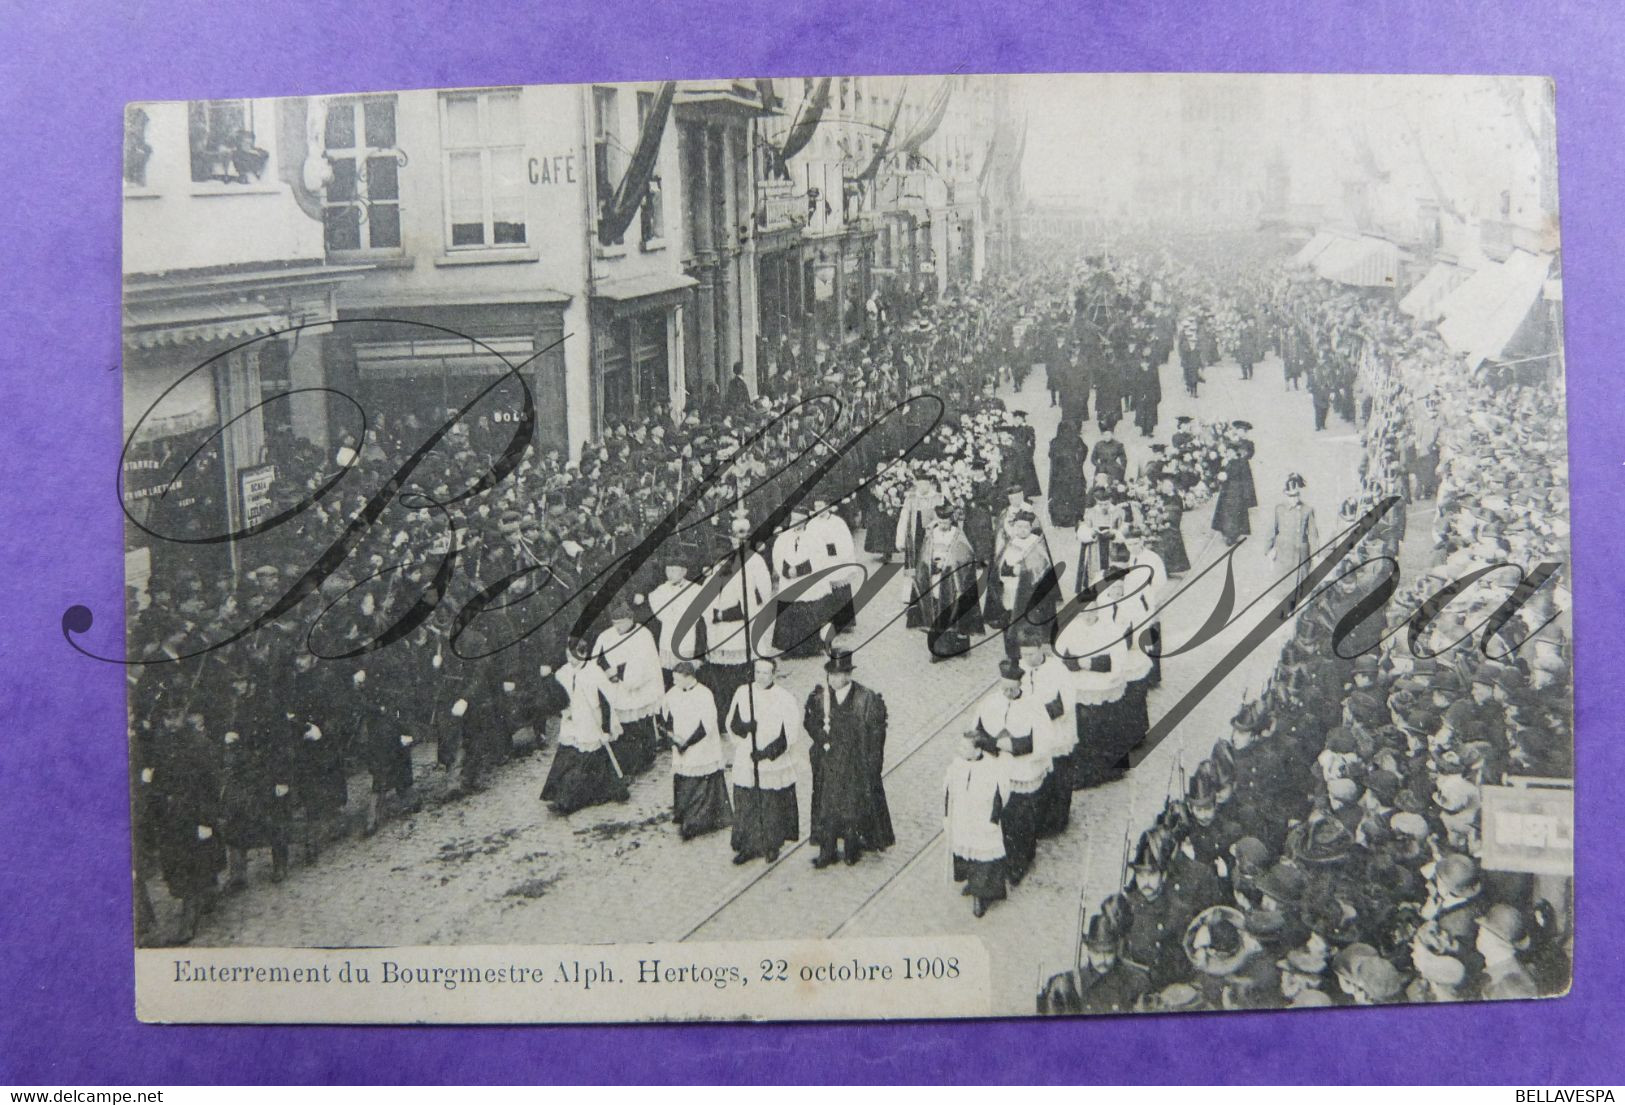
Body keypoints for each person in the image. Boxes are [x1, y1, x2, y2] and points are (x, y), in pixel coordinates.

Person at [805, 648, 893, 866]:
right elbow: (810, 723)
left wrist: (874, 764)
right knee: (826, 806)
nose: (834, 680)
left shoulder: (866, 699)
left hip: (854, 762)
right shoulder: (820, 697)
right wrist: (819, 735)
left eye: (839, 675)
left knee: (852, 806)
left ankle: (852, 849)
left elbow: (876, 733)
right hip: (828, 762)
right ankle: (827, 850)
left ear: (848, 675)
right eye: (831, 675)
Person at [539, 637, 631, 815]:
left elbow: (606, 701)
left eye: (575, 656)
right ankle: (558, 794)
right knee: (567, 754)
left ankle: (567, 800)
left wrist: (605, 729)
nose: (571, 660)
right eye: (568, 656)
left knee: (587, 760)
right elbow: (557, 696)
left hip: (591, 720)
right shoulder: (563, 672)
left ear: (584, 654)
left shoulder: (594, 672)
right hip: (571, 720)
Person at [974, 658, 1045, 886]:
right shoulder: (989, 703)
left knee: (1019, 820)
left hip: (1021, 770)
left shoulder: (1033, 705)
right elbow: (977, 733)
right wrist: (994, 745)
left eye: (1012, 690)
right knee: (998, 818)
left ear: (1019, 686)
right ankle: (997, 863)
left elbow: (1041, 739)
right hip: (995, 768)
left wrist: (1014, 746)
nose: (1007, 693)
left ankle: (1019, 862)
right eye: (1004, 689)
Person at [726, 657, 804, 864]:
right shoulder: (743, 692)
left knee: (770, 804)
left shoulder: (784, 698)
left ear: (774, 674)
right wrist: (745, 727)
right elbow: (732, 722)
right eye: (757, 672)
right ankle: (748, 845)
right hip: (747, 757)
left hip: (771, 759)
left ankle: (771, 844)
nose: (761, 677)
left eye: (765, 673)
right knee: (747, 801)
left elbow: (789, 733)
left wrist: (766, 753)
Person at [660, 660, 732, 841]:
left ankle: (698, 820)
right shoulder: (673, 693)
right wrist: (672, 738)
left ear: (688, 677)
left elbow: (706, 725)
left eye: (677, 679)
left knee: (701, 783)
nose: (674, 683)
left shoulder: (704, 695)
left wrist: (688, 743)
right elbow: (665, 715)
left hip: (701, 746)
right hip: (681, 745)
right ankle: (684, 813)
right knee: (683, 778)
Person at [593, 600, 664, 776]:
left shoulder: (643, 635)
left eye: (621, 624)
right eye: (614, 624)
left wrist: (619, 672)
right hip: (615, 687)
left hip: (638, 689)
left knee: (640, 723)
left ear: (630, 619)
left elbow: (644, 664)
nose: (617, 628)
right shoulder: (606, 635)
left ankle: (645, 758)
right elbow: (598, 658)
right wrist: (607, 672)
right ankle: (626, 761)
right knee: (623, 727)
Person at [944, 729, 1008, 919]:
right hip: (963, 819)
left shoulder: (992, 768)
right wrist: (947, 816)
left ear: (978, 749)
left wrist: (993, 820)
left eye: (965, 746)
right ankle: (972, 884)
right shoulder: (957, 764)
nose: (959, 749)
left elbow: (1000, 795)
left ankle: (981, 897)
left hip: (983, 820)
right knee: (967, 855)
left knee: (984, 858)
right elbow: (948, 789)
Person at [912, 507, 984, 660]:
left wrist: (949, 564)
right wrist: (932, 565)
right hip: (936, 579)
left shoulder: (958, 536)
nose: (943, 525)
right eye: (940, 521)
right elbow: (924, 557)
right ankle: (937, 649)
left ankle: (960, 647)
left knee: (957, 610)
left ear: (951, 520)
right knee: (937, 611)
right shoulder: (931, 535)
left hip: (954, 579)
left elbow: (966, 555)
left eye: (946, 521)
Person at [1265, 472, 1321, 611]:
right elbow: (1272, 529)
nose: (1294, 499)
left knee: (1299, 583)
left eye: (1296, 495)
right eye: (1291, 496)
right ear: (1285, 494)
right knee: (1284, 582)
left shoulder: (1307, 510)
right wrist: (1268, 550)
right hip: (1284, 551)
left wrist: (1315, 554)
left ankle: (1295, 606)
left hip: (1300, 553)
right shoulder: (1279, 509)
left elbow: (1313, 534)